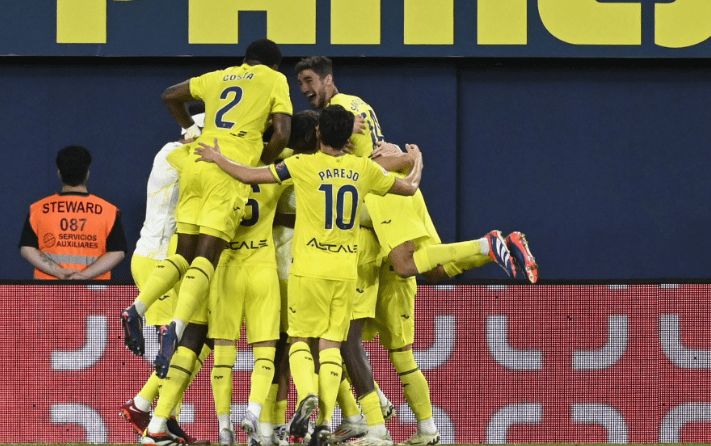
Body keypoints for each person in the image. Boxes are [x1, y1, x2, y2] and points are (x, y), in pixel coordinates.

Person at [295, 56, 538, 446]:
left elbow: (376, 162)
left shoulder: (343, 111)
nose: (305, 89)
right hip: (395, 199)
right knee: (432, 276)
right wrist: (408, 159)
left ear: (327, 79)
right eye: (300, 83)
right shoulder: (354, 107)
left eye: (309, 80)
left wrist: (410, 158)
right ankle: (425, 429)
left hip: (387, 198)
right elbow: (376, 155)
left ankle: (371, 422)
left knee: (397, 275)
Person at [193, 104, 424, 446]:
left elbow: (248, 175)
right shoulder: (363, 168)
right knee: (331, 347)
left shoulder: (301, 165)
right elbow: (410, 187)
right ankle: (325, 421)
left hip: (307, 269)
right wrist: (417, 160)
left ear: (318, 132)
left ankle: (307, 396)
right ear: (346, 137)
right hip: (345, 272)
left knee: (300, 341)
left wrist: (217, 158)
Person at [120, 38, 293, 383]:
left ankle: (136, 307)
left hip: (199, 162)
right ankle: (176, 325)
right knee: (205, 257)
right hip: (226, 172)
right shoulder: (274, 79)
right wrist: (257, 161)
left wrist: (191, 129)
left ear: (245, 58)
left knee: (183, 253)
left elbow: (170, 95)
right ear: (274, 65)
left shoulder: (218, 76)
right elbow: (283, 133)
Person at [120, 109, 210, 445]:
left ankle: (150, 409)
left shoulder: (177, 152)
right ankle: (155, 420)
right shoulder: (176, 154)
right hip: (160, 262)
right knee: (182, 342)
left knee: (193, 340)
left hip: (165, 259)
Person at [19, 145, 126, 280]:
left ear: (59, 173)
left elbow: (27, 249)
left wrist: (58, 272)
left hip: (49, 288)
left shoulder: (38, 209)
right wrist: (84, 275)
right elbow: (117, 252)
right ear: (87, 174)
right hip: (93, 289)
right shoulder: (108, 211)